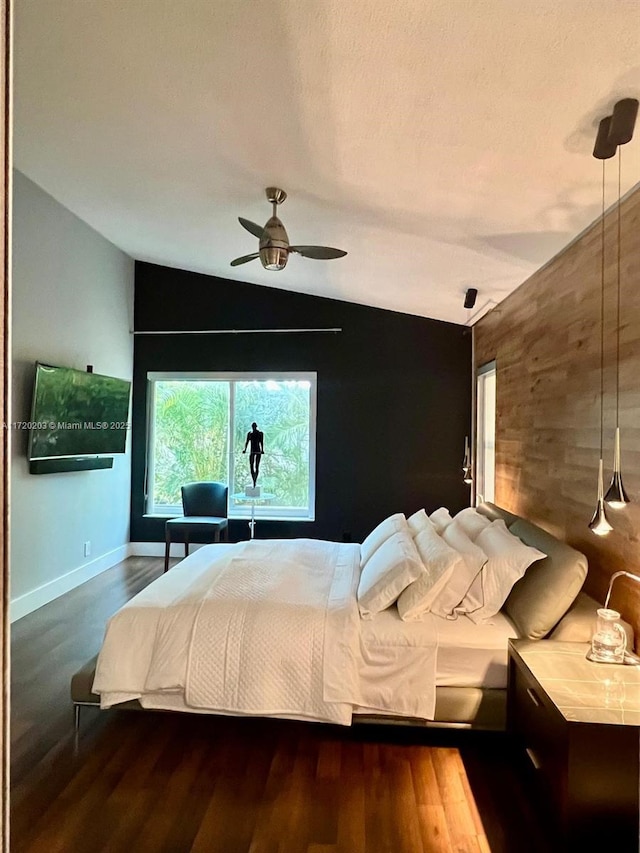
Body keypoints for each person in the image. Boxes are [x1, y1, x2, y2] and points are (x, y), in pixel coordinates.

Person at [242, 422, 264, 487]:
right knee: (251, 466)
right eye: (252, 426)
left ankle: (255, 480)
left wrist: (262, 450)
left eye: (254, 426)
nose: (253, 427)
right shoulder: (250, 434)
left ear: (256, 427)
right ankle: (253, 479)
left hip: (258, 451)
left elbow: (261, 442)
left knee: (256, 466)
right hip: (252, 451)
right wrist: (245, 450)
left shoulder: (260, 434)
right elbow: (247, 442)